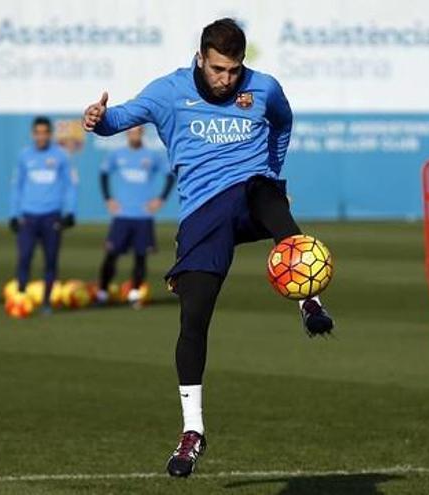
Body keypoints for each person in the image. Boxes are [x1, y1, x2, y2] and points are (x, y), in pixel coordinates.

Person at [82, 18, 334, 477]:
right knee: (194, 315)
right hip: (203, 212)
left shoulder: (264, 88)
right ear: (201, 58)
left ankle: (308, 297)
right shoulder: (168, 92)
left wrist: (274, 169)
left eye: (234, 70)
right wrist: (98, 120)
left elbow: (282, 120)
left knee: (266, 191)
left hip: (252, 193)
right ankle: (192, 431)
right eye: (218, 69)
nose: (226, 79)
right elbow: (120, 117)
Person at [96, 125, 174, 308]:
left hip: (143, 215)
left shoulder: (151, 155)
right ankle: (102, 292)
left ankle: (135, 293)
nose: (134, 135)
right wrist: (108, 198)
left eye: (137, 132)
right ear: (127, 134)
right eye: (131, 132)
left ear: (142, 134)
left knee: (140, 256)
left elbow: (169, 176)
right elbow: (103, 174)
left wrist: (160, 199)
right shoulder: (117, 154)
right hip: (122, 214)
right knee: (111, 255)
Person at [9, 116, 77, 314]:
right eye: (37, 133)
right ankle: (20, 296)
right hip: (29, 217)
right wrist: (14, 214)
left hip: (51, 217)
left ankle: (46, 301)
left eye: (45, 133)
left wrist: (71, 212)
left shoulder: (61, 156)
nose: (41, 137)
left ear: (50, 134)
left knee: (50, 261)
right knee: (24, 258)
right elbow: (17, 186)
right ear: (33, 134)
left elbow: (70, 186)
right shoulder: (24, 156)